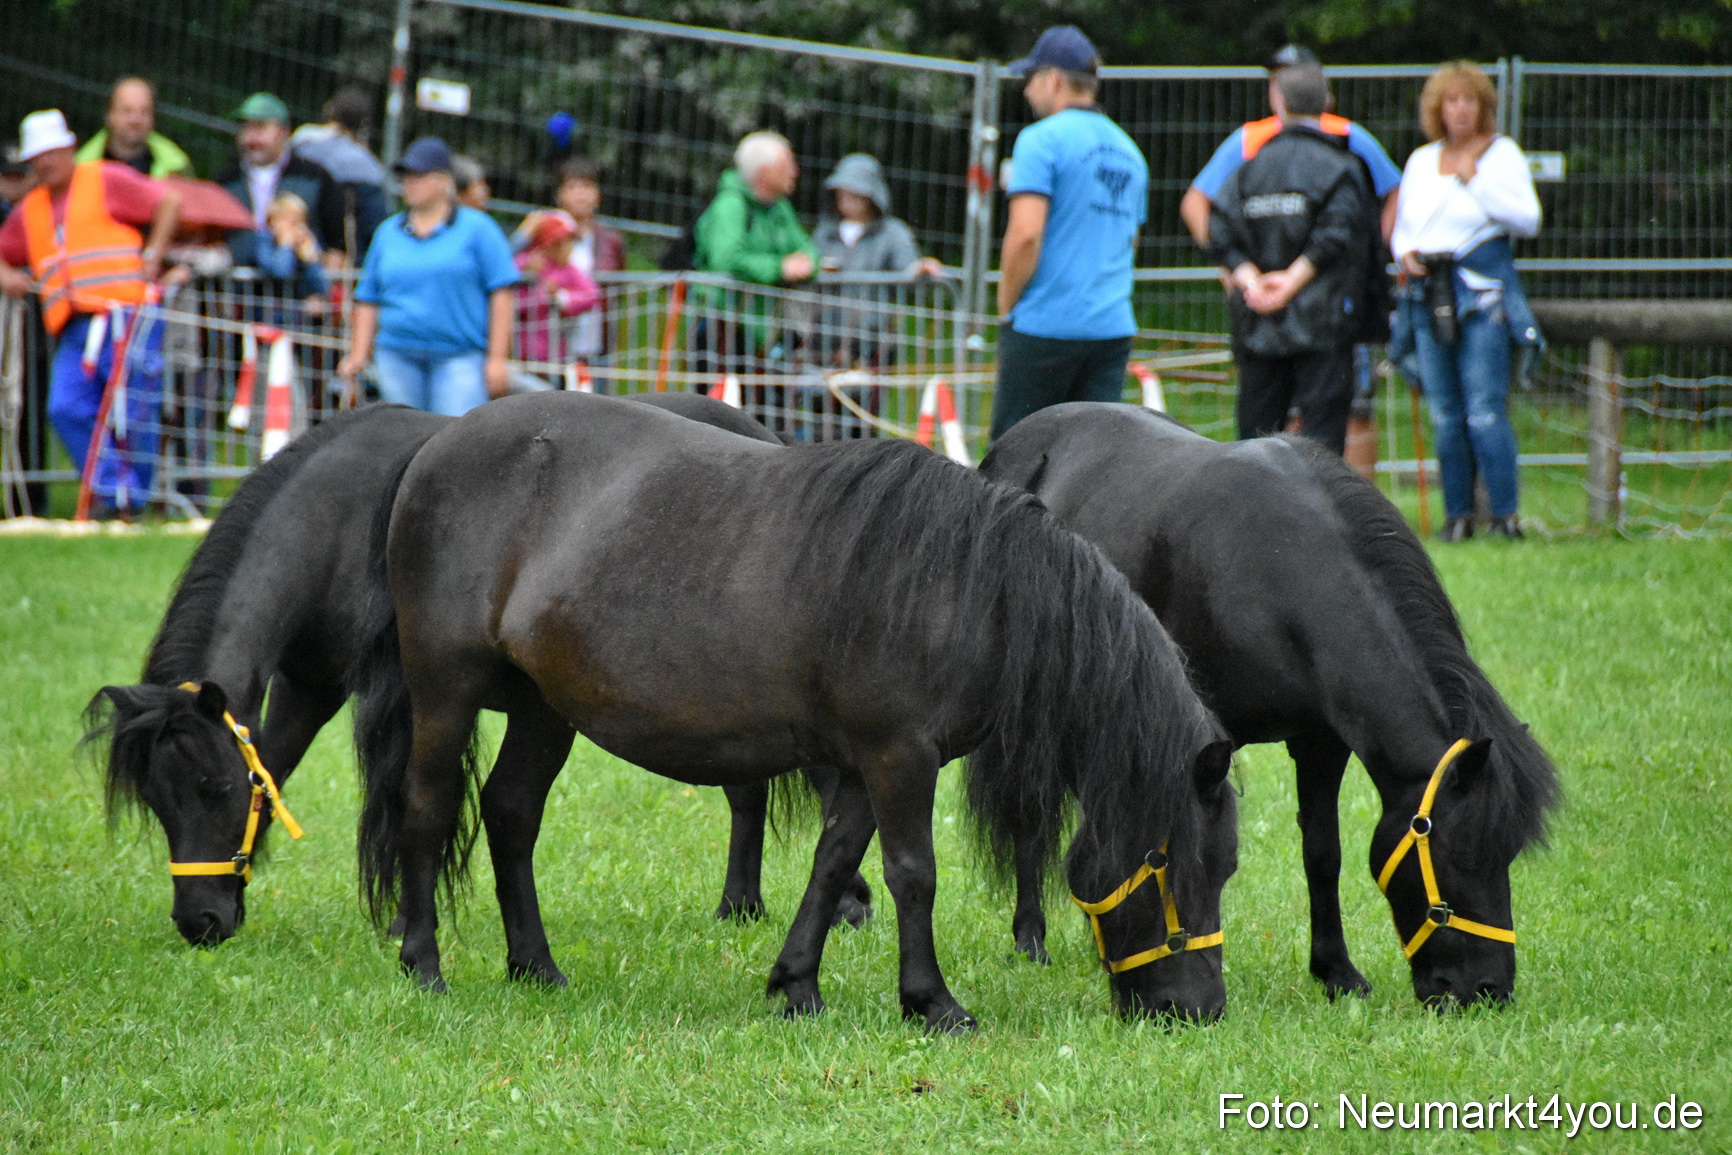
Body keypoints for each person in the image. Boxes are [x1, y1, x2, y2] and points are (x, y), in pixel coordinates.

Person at [0, 110, 181, 515]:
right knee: (65, 408)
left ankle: (130, 501)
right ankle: (118, 491)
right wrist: (7, 276)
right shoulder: (31, 209)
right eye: (36, 157)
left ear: (69, 149)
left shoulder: (104, 178)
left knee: (133, 410)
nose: (43, 163)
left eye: (50, 153)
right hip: (74, 324)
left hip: (128, 315)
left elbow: (168, 201)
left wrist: (153, 256)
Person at [1392, 61, 1542, 541]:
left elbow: (1527, 220)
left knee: (1484, 409)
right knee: (1445, 413)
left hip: (1481, 297)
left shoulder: (1503, 156)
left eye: (1469, 100)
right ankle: (1457, 517)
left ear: (1484, 106)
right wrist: (1404, 253)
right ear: (1437, 109)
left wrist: (1475, 179)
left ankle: (1505, 516)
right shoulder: (1419, 160)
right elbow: (1404, 228)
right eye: (1450, 101)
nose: (1459, 109)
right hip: (1427, 293)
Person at [1208, 61, 1381, 455]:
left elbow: (1218, 230)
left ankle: (1253, 517)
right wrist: (1291, 281)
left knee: (1254, 447)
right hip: (1326, 327)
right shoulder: (1344, 168)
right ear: (1327, 103)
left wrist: (1253, 281)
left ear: (1277, 101)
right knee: (1321, 451)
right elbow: (1339, 236)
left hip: (1258, 325)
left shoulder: (1248, 170)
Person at [992, 26, 1148, 441]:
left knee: (1016, 460)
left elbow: (1026, 235)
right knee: (1091, 465)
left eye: (1031, 80)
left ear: (1054, 80)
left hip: (1045, 326)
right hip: (1111, 328)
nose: (1027, 92)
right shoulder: (1131, 152)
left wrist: (1006, 307)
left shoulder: (1040, 141)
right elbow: (1131, 241)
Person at [337, 137, 518, 416]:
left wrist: (496, 359)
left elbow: (502, 294)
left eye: (420, 176)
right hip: (395, 354)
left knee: (453, 441)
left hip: (460, 356)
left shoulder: (479, 229)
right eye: (407, 176)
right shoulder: (388, 232)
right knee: (404, 443)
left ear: (445, 181)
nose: (410, 183)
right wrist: (358, 355)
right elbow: (368, 297)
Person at [1181, 46, 1402, 249]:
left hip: (1331, 269)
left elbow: (1396, 190)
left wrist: (1372, 248)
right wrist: (1229, 261)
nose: (1281, 89)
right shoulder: (1249, 137)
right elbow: (1195, 202)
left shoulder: (1347, 135)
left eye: (1290, 80)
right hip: (1264, 268)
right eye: (1275, 81)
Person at [218, 93, 346, 271]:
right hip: (241, 292)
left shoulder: (314, 177)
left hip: (298, 292)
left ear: (284, 131)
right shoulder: (226, 181)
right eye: (246, 128)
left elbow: (338, 244)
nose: (252, 138)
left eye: (261, 127)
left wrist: (323, 289)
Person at [512, 158, 624, 361]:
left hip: (592, 342)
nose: (581, 194)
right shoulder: (541, 232)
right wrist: (524, 235)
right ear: (559, 194)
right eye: (572, 187)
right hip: (545, 344)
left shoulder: (611, 240)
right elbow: (508, 265)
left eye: (587, 186)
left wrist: (567, 298)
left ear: (598, 195)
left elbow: (616, 289)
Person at [289, 86, 388, 262]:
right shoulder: (366, 166)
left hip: (293, 248)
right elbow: (374, 227)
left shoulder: (300, 143)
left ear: (330, 109)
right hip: (342, 262)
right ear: (363, 124)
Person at [512, 211, 600, 367]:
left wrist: (560, 297)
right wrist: (527, 276)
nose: (569, 248)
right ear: (548, 244)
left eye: (571, 242)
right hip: (520, 349)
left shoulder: (569, 270)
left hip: (554, 353)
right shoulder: (525, 264)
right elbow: (513, 297)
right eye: (563, 243)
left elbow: (591, 294)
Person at [75, 77, 193, 179]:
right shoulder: (79, 168)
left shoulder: (176, 167)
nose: (135, 120)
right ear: (110, 115)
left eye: (144, 111)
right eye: (127, 111)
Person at [252, 192, 330, 304]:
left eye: (302, 221)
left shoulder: (304, 242)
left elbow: (322, 286)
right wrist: (286, 244)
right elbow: (280, 272)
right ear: (274, 222)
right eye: (293, 222)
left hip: (296, 314)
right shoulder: (263, 242)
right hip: (269, 312)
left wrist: (310, 259)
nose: (300, 227)